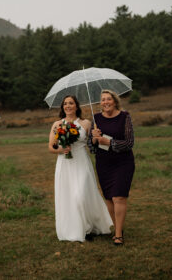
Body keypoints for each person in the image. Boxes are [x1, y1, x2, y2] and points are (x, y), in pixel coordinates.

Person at [49, 95, 113, 242]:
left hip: (82, 162)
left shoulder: (86, 123)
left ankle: (89, 226)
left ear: (76, 106)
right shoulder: (57, 124)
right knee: (69, 197)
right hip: (65, 163)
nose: (68, 106)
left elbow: (93, 145)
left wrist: (96, 137)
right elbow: (51, 146)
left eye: (71, 103)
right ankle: (79, 229)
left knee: (81, 195)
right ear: (62, 107)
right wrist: (61, 149)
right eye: (65, 104)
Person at [88, 90, 135, 246]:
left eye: (109, 99)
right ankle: (118, 229)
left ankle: (118, 235)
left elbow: (129, 143)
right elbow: (91, 147)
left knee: (119, 197)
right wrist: (94, 138)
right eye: (103, 100)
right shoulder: (95, 119)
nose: (106, 102)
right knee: (109, 198)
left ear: (115, 101)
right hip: (104, 163)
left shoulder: (125, 116)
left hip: (123, 162)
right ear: (100, 103)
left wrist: (108, 142)